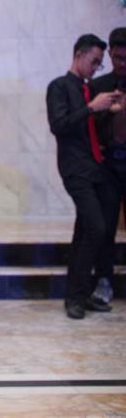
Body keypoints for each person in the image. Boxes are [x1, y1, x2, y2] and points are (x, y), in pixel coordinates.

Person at [46, 33, 124, 319]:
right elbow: (59, 125)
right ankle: (75, 296)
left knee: (85, 230)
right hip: (75, 168)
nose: (96, 68)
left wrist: (108, 110)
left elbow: (87, 127)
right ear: (79, 55)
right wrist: (92, 107)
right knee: (96, 227)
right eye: (94, 61)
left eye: (99, 64)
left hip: (94, 167)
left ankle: (78, 294)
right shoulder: (59, 86)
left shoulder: (86, 89)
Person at [89, 27, 126, 304]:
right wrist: (104, 109)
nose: (122, 63)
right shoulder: (99, 86)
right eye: (117, 58)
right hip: (109, 165)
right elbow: (89, 126)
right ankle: (103, 279)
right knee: (106, 225)